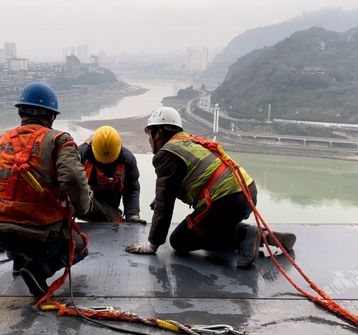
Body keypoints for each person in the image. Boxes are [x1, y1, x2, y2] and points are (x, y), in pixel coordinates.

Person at [125, 106, 296, 267]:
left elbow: (165, 204)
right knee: (211, 229)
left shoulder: (165, 154)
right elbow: (191, 175)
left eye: (150, 133)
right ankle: (263, 237)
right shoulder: (189, 141)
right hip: (247, 191)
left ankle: (244, 235)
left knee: (180, 241)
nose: (149, 140)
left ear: (159, 132)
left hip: (225, 200)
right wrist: (160, 197)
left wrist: (152, 244)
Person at [0, 82, 92, 298]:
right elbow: (75, 180)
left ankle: (19, 262)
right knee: (80, 245)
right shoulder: (60, 141)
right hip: (37, 233)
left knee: (13, 214)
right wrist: (83, 207)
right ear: (52, 116)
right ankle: (37, 271)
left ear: (20, 111)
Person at [78, 125, 145, 224]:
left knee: (117, 223)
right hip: (81, 202)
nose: (106, 165)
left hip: (107, 207)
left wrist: (132, 214)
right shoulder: (80, 155)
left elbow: (132, 189)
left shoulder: (127, 160)